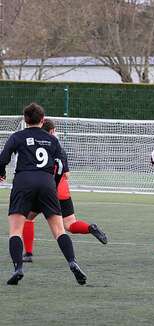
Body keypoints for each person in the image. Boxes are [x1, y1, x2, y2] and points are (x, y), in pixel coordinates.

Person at [0, 103, 87, 285]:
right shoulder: (52, 140)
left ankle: (18, 269)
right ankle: (72, 262)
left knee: (16, 230)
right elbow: (61, 166)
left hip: (23, 182)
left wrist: (2, 174)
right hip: (47, 183)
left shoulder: (17, 136)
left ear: (25, 120)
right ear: (43, 119)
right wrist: (51, 184)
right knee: (59, 230)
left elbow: (3, 158)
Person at [22, 119, 108, 263]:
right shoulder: (59, 148)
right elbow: (66, 174)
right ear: (51, 131)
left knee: (27, 218)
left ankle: (28, 253)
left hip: (44, 189)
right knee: (70, 224)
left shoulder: (35, 147)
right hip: (62, 190)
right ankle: (90, 227)